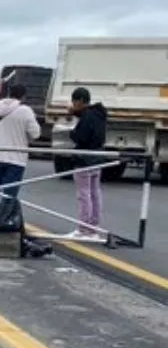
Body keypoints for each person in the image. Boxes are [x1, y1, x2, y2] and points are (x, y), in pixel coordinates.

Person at [0, 83, 40, 227]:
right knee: (9, 195)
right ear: (23, 96)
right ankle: (3, 222)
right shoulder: (25, 111)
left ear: (9, 93)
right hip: (16, 159)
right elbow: (36, 134)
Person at [67, 87, 107, 239]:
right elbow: (85, 115)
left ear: (81, 101)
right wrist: (75, 113)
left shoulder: (87, 118)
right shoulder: (99, 114)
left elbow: (81, 137)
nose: (73, 105)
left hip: (84, 159)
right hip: (97, 158)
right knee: (95, 193)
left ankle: (83, 228)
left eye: (74, 102)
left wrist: (72, 133)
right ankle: (93, 228)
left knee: (83, 194)